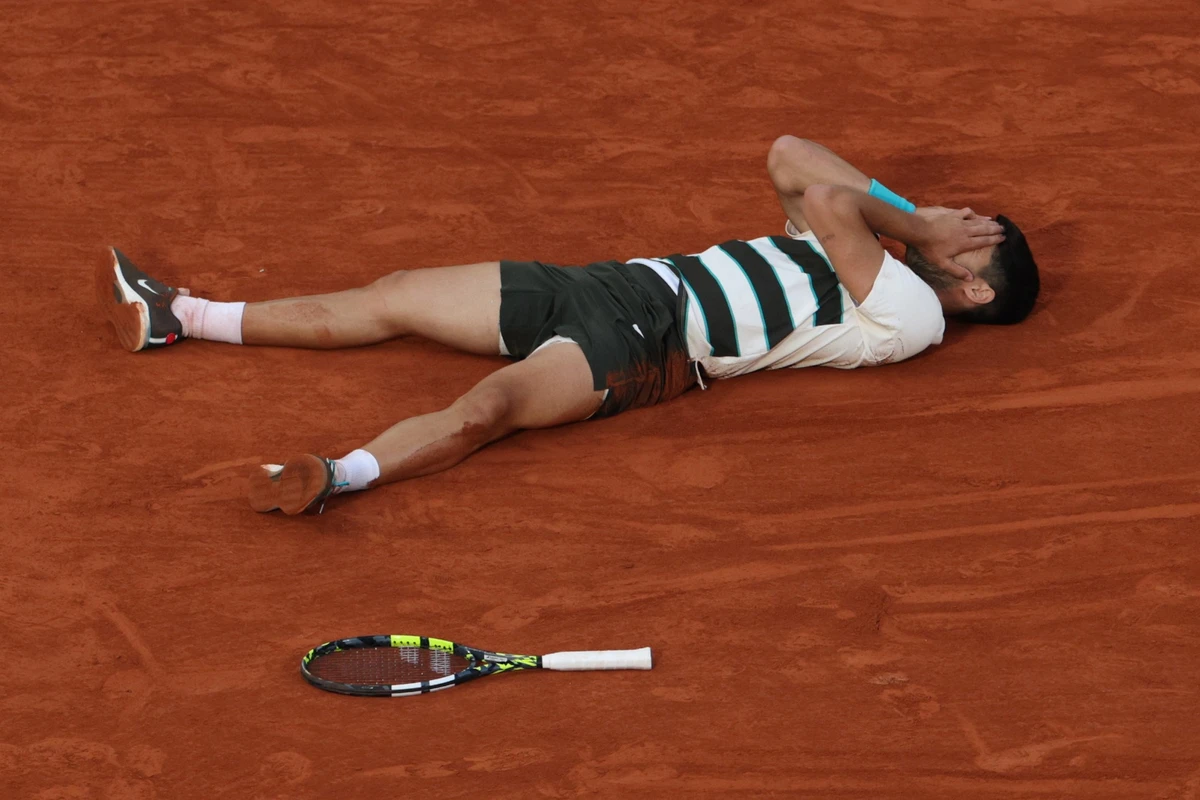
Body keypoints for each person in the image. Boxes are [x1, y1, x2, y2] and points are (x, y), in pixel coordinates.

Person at [97, 136, 1039, 515]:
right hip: (608, 286)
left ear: (976, 291)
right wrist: (915, 220)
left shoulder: (913, 312)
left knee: (489, 407)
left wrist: (916, 229)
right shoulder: (871, 250)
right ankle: (182, 317)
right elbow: (791, 154)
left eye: (969, 239)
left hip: (649, 347)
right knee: (392, 294)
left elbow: (833, 194)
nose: (946, 225)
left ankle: (336, 476)